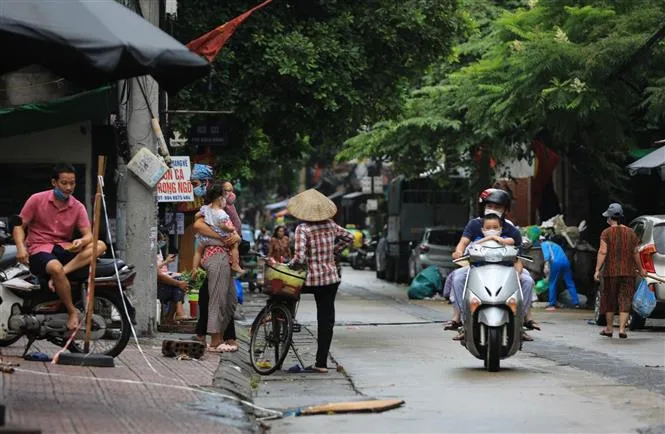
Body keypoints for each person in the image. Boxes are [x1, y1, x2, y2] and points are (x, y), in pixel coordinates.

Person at [13, 163, 106, 331]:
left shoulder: (77, 206)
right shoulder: (36, 199)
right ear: (54, 183)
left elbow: (88, 235)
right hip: (39, 249)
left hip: (64, 248)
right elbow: (19, 225)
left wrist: (81, 241)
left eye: (72, 183)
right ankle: (72, 311)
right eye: (64, 183)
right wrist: (20, 246)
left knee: (99, 245)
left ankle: (62, 274)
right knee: (55, 267)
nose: (69, 187)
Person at [446, 188, 539, 340]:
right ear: (483, 207)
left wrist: (517, 272)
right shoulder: (474, 224)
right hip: (477, 268)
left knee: (527, 281)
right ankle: (464, 322)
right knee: (457, 278)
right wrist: (459, 251)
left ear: (505, 210)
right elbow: (463, 243)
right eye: (490, 206)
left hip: (507, 268)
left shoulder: (511, 229)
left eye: (498, 207)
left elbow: (519, 255)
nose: (493, 210)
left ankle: (520, 324)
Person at [287, 189, 354, 373]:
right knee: (326, 320)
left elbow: (299, 258)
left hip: (310, 280)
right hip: (331, 279)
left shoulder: (303, 228)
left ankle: (287, 325)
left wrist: (289, 265)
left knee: (286, 297)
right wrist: (335, 251)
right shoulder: (331, 225)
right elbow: (350, 237)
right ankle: (321, 363)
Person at [192, 183, 240, 352]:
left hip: (225, 256)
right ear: (220, 196)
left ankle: (219, 335)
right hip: (216, 256)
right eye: (226, 192)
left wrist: (235, 238)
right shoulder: (211, 212)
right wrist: (222, 236)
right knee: (216, 300)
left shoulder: (224, 211)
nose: (229, 195)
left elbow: (234, 234)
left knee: (230, 301)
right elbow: (197, 226)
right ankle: (215, 338)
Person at [594, 203, 645, 339]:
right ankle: (622, 329)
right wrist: (641, 269)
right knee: (625, 299)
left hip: (611, 272)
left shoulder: (606, 233)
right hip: (628, 272)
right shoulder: (631, 233)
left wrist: (597, 270)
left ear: (610, 218)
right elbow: (635, 253)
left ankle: (609, 328)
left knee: (610, 299)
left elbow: (603, 252)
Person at [195, 190, 244, 274]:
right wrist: (229, 231)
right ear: (220, 199)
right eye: (225, 198)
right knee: (234, 245)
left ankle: (194, 269)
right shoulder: (220, 213)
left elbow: (196, 216)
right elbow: (222, 226)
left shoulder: (207, 210)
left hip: (208, 243)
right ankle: (235, 264)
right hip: (218, 253)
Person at [541, 237, 580, 310]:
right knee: (569, 282)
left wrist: (546, 266)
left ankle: (552, 304)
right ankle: (576, 303)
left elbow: (547, 256)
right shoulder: (556, 245)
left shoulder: (544, 244)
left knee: (552, 282)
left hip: (555, 263)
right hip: (565, 262)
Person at [157, 250, 190, 323]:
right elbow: (158, 274)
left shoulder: (158, 251)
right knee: (178, 284)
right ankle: (176, 313)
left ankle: (173, 315)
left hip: (164, 277)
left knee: (181, 280)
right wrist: (166, 262)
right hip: (156, 285)